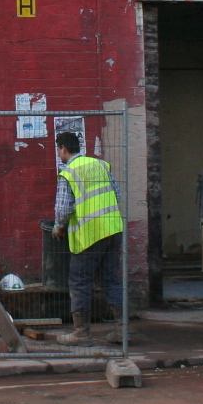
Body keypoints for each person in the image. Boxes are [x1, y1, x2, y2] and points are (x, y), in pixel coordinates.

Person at [52, 131, 125, 345]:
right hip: (113, 229)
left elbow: (63, 210)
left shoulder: (69, 172)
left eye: (59, 150)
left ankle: (81, 333)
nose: (59, 154)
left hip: (90, 234)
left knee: (80, 281)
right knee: (111, 279)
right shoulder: (101, 165)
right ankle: (122, 331)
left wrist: (58, 228)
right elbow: (117, 195)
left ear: (64, 149)